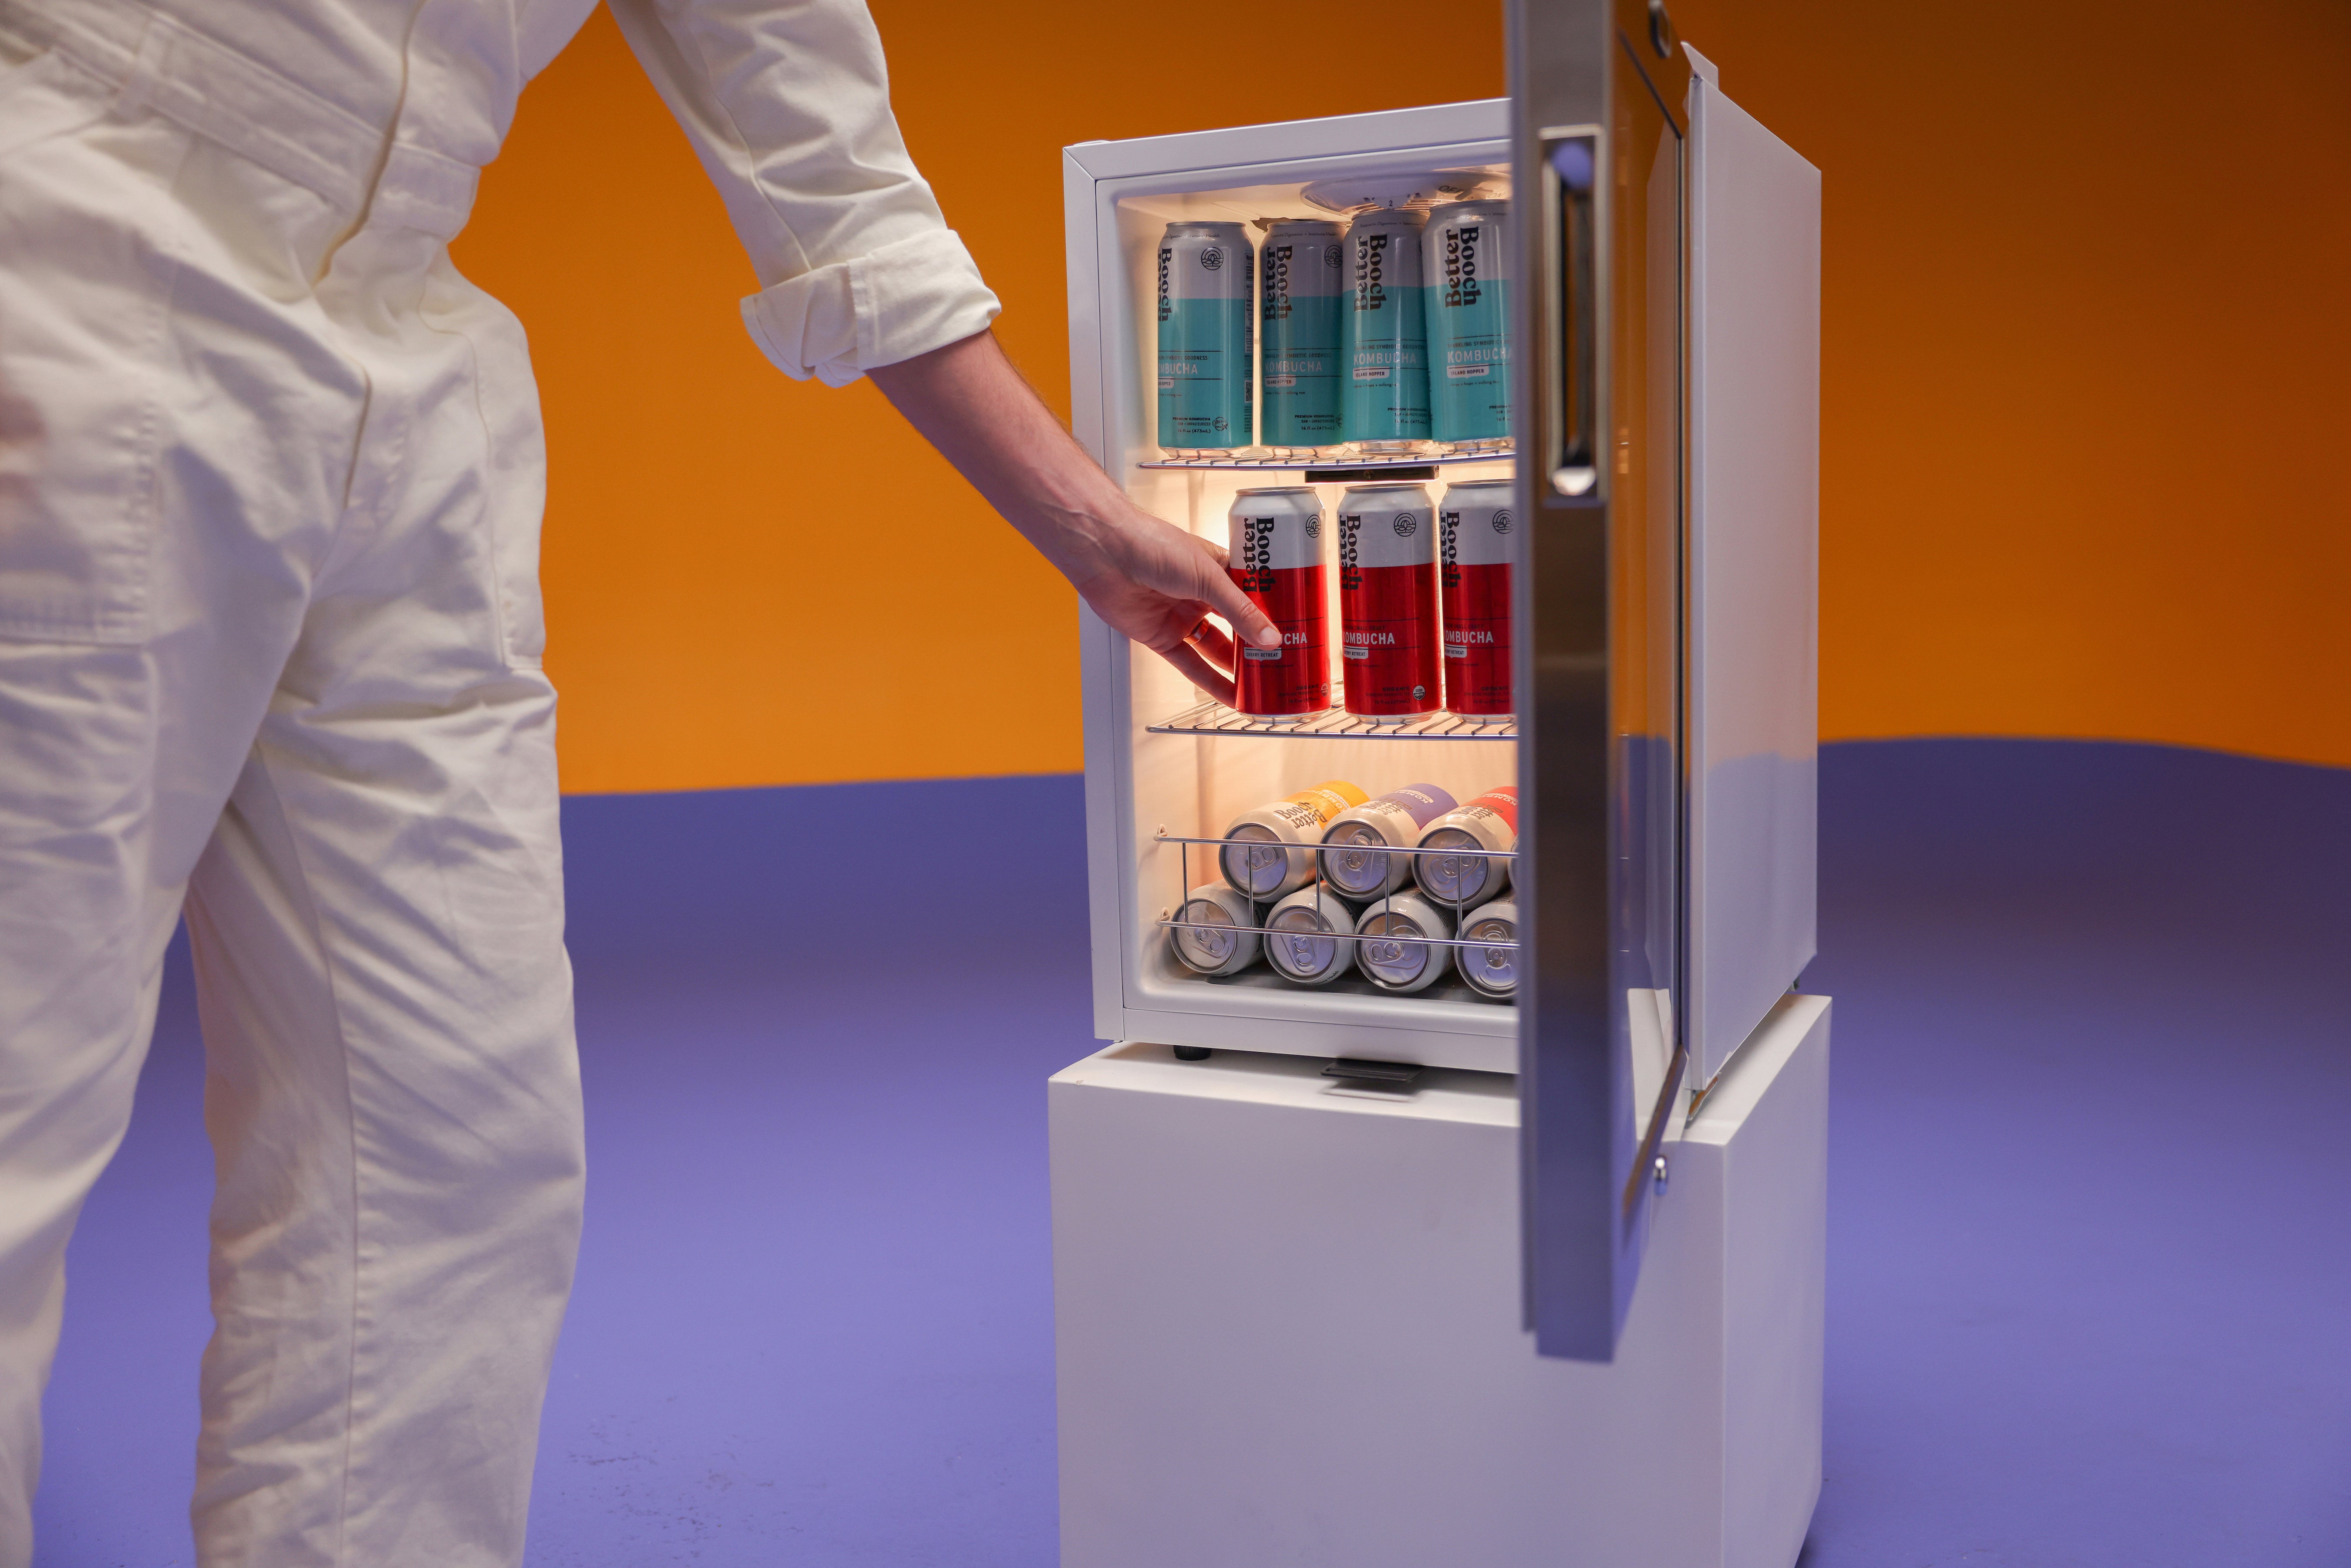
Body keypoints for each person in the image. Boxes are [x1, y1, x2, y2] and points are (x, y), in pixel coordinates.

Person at [0, 0, 1276, 1559]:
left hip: (417, 339)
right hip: (74, 211)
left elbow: (815, 131)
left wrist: (1083, 519)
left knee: (454, 1145)